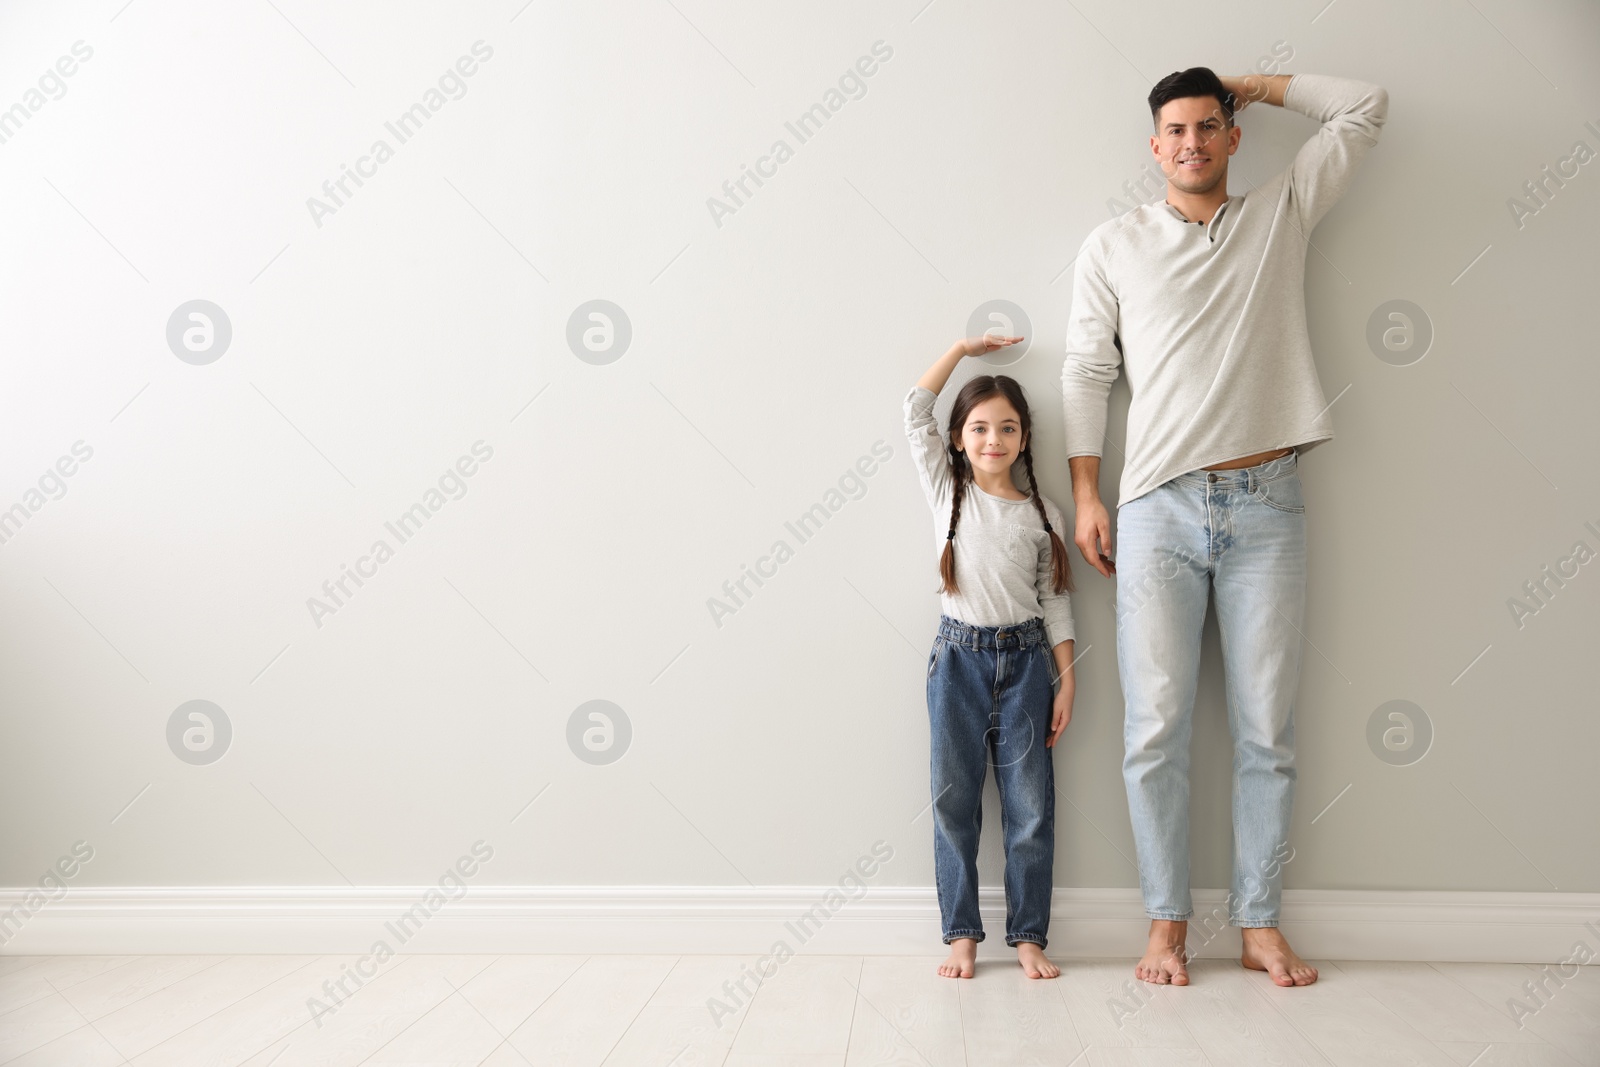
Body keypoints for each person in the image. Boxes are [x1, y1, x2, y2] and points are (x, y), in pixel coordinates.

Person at [1060, 68, 1389, 987]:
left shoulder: (1281, 215)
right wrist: (1088, 494)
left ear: (1232, 137)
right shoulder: (1114, 245)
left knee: (1266, 732)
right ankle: (1165, 925)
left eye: (1210, 125)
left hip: (1269, 505)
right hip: (1155, 508)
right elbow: (1086, 372)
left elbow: (1364, 106)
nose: (1194, 142)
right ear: (1154, 146)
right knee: (1154, 728)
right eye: (1176, 129)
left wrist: (1254, 83)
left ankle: (1258, 923)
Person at [904, 336, 1078, 979]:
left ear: (1025, 438)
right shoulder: (948, 493)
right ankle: (962, 935)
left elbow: (1057, 602)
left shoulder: (1044, 514)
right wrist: (960, 348)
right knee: (954, 801)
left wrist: (1066, 678)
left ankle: (1029, 935)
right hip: (958, 662)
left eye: (1007, 428)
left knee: (1030, 806)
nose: (993, 439)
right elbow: (914, 410)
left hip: (1028, 663)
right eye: (978, 428)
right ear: (958, 439)